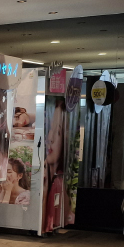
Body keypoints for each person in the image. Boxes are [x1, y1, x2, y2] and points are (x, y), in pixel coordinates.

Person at [43, 99, 66, 232]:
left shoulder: (58, 183)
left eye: (57, 132)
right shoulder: (45, 175)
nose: (50, 138)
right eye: (49, 129)